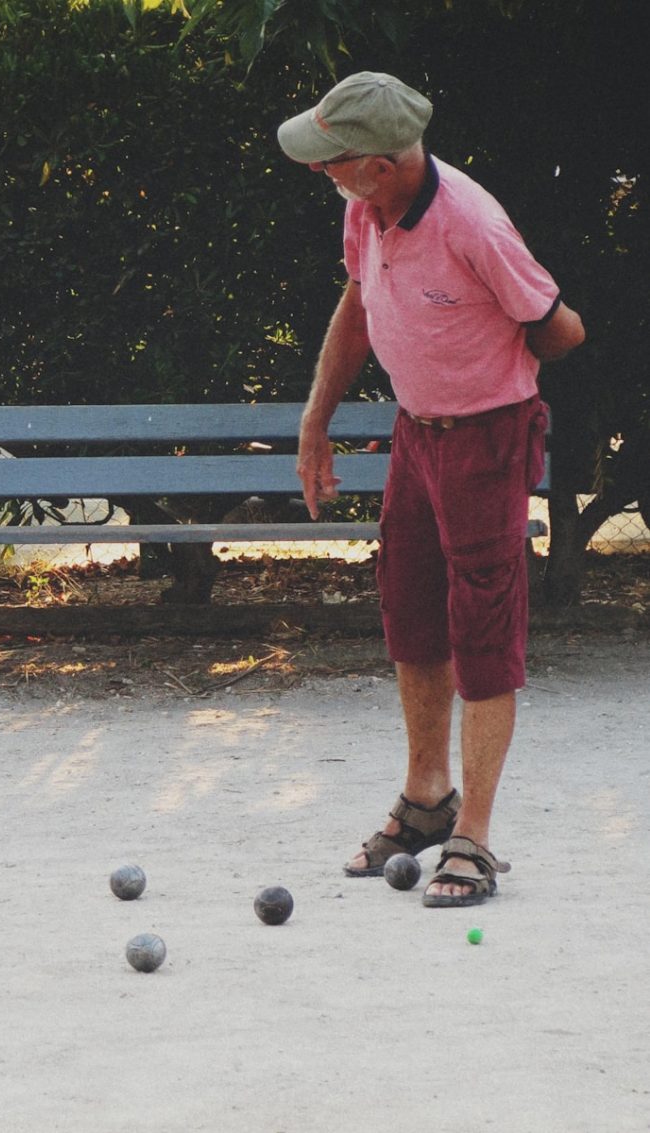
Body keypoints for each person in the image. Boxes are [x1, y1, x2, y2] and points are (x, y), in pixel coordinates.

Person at [277, 72, 585, 907]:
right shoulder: (365, 208)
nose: (320, 171)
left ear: (379, 164)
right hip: (415, 433)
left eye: (331, 160)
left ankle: (473, 835)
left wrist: (495, 355)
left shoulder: (473, 224)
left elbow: (561, 329)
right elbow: (359, 300)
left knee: (483, 629)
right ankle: (425, 800)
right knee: (411, 608)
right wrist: (315, 419)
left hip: (487, 439)